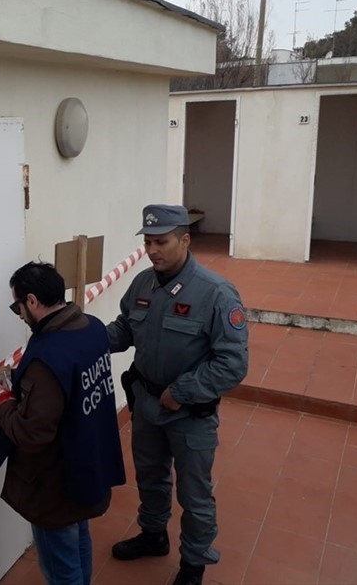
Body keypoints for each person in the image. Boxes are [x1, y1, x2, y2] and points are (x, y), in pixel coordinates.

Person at [107, 204, 249, 585]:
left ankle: (193, 564)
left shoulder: (216, 293)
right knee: (150, 477)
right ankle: (153, 536)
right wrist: (81, 335)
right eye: (148, 242)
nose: (153, 250)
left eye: (161, 241)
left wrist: (182, 392)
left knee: (194, 492)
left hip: (189, 414)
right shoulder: (142, 284)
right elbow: (123, 330)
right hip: (147, 404)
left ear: (184, 240)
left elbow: (232, 363)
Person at [0, 261, 125, 585]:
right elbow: (66, 383)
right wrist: (13, 379)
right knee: (79, 536)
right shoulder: (92, 327)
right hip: (86, 467)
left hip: (55, 484)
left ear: (31, 301)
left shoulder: (47, 353)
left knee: (60, 568)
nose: (18, 314)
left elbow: (32, 433)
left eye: (17, 306)